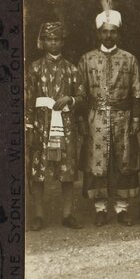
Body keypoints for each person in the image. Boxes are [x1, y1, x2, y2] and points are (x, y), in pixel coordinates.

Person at [79, 0, 140, 227]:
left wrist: (136, 118)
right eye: (104, 32)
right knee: (98, 163)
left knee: (123, 162)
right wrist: (81, 121)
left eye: (113, 32)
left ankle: (123, 209)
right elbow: (81, 94)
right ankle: (100, 208)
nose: (108, 36)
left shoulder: (130, 59)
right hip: (96, 118)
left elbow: (137, 92)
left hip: (123, 118)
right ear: (98, 34)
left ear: (118, 33)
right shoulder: (86, 60)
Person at [26, 21, 84, 230]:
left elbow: (82, 96)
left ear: (62, 41)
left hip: (65, 125)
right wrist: (29, 127)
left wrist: (70, 99)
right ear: (43, 41)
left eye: (57, 39)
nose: (53, 43)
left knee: (66, 169)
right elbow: (29, 98)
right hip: (42, 124)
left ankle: (68, 213)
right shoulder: (34, 68)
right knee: (38, 170)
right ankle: (39, 215)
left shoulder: (72, 69)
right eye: (49, 39)